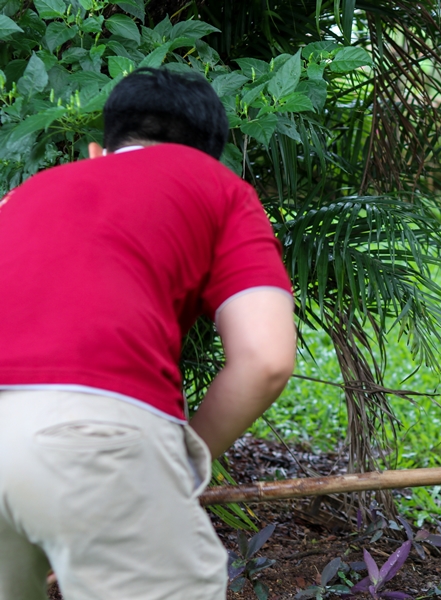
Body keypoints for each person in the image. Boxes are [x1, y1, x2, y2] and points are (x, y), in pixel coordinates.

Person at [0, 68, 297, 599]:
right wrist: (181, 470)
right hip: (91, 435)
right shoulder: (218, 188)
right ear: (209, 156)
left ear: (98, 152)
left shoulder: (22, 197)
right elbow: (266, 359)